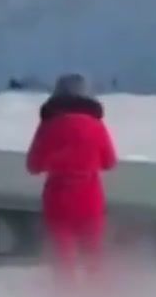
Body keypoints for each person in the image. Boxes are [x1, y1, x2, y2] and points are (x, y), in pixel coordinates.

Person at [25, 73, 118, 284]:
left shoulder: (48, 125)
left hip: (58, 200)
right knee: (93, 257)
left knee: (63, 260)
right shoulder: (96, 126)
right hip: (90, 198)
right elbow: (110, 162)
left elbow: (33, 166)